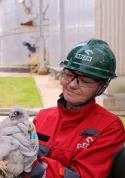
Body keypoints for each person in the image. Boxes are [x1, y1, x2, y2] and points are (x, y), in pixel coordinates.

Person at [14, 39, 125, 177]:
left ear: (102, 86)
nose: (72, 84)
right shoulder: (43, 117)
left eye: (85, 80)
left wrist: (32, 167)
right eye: (69, 74)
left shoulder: (109, 128)